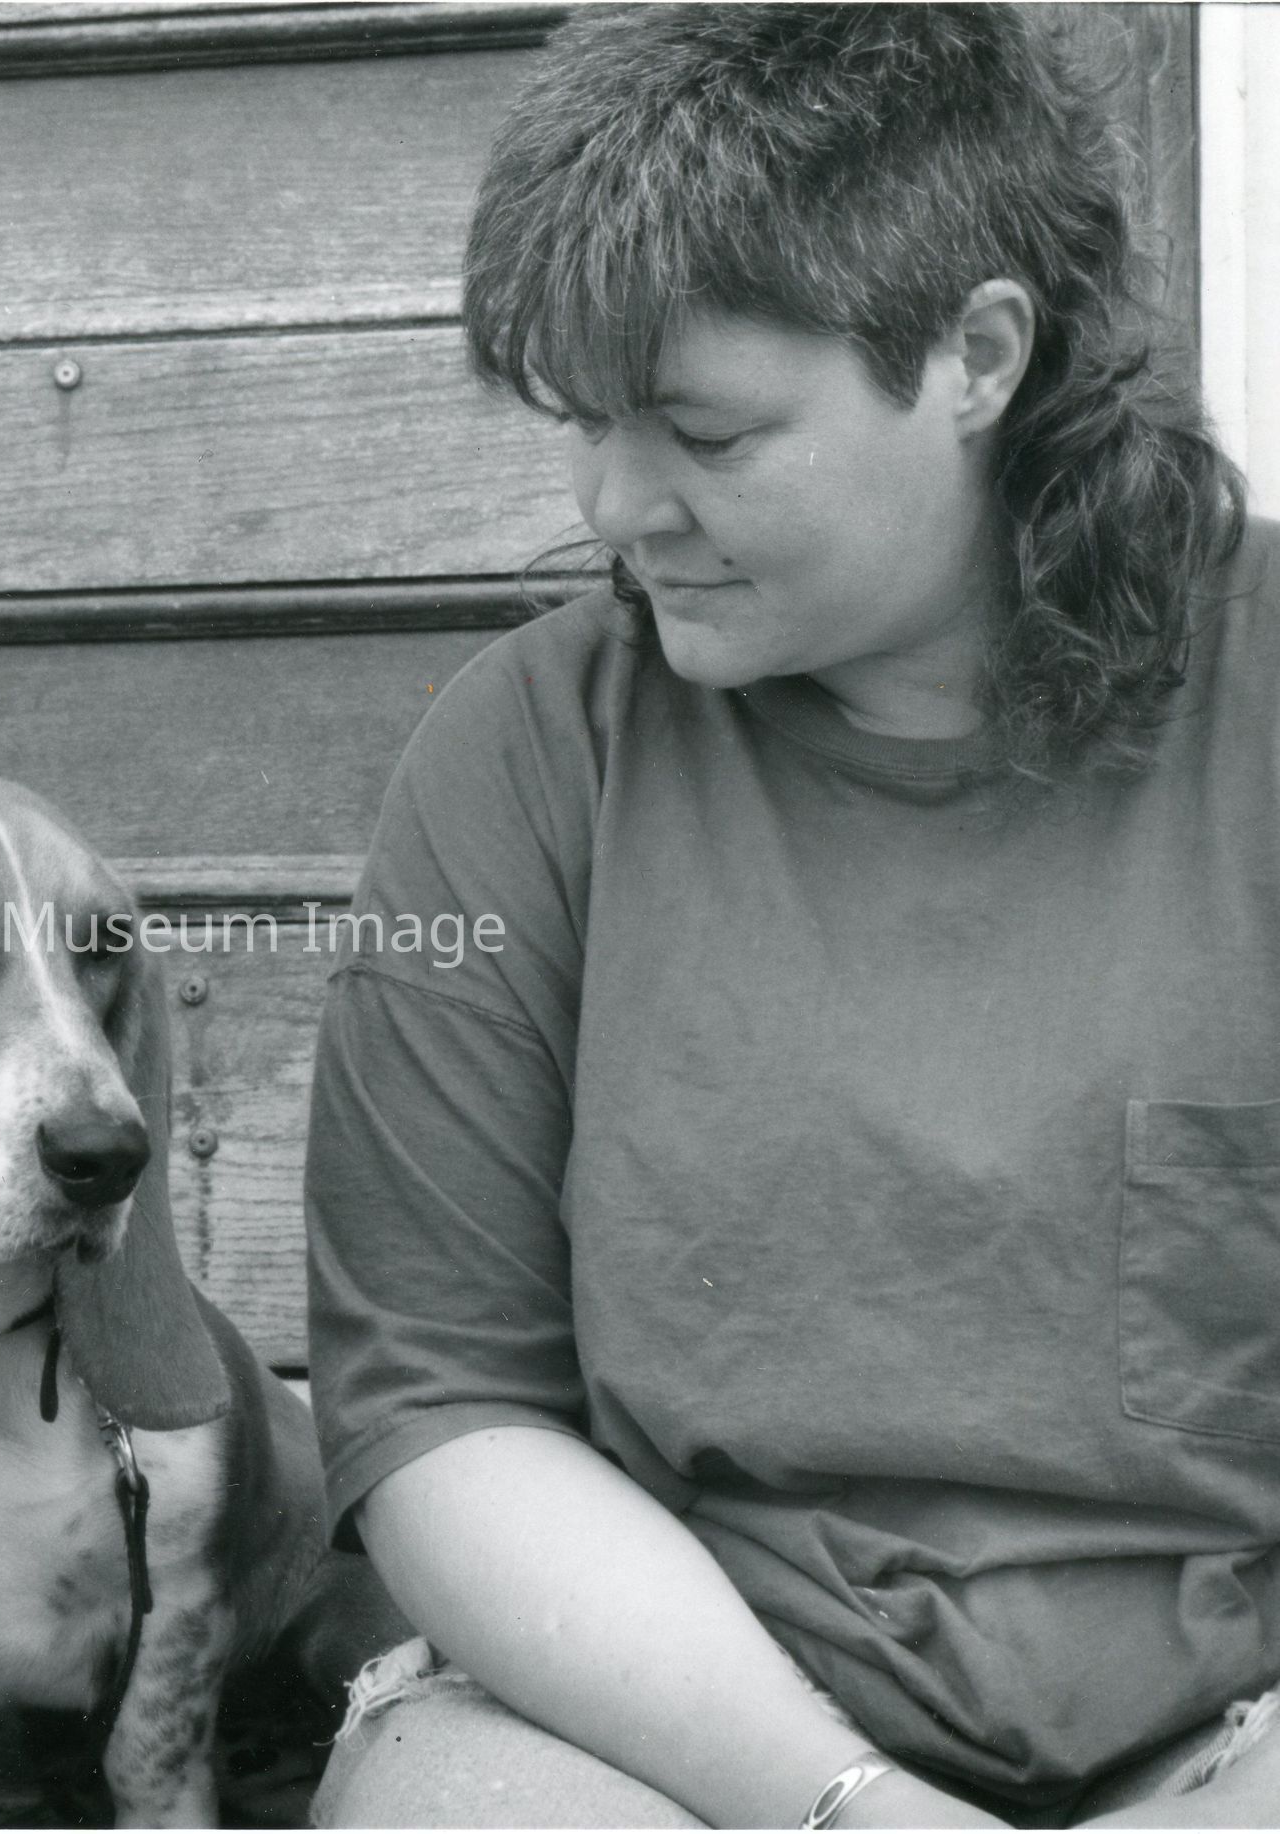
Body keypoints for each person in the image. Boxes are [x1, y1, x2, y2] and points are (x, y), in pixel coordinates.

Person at [304, 6, 1275, 1828]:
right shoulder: (528, 755)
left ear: (977, 354)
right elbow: (441, 1410)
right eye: (587, 423)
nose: (615, 503)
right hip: (665, 1730)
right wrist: (845, 1802)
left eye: (705, 431)